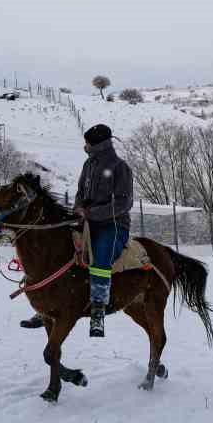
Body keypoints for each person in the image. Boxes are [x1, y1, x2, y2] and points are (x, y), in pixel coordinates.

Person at [75, 123, 135, 337]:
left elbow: (123, 204)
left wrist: (92, 214)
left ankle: (98, 310)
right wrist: (78, 209)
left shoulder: (120, 167)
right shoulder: (88, 165)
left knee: (101, 257)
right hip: (87, 222)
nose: (85, 146)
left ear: (98, 145)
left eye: (88, 143)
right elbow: (80, 193)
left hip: (114, 225)